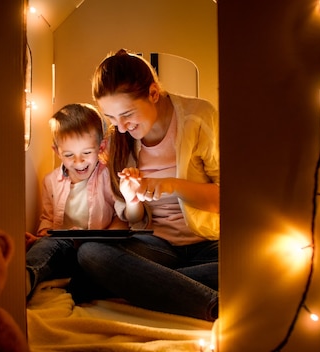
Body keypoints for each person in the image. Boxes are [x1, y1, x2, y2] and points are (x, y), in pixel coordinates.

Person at [76, 49, 219, 321]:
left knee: (254, 263)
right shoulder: (120, 138)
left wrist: (171, 185)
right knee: (91, 253)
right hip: (156, 245)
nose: (120, 127)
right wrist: (132, 200)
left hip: (208, 243)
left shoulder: (198, 116)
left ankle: (146, 284)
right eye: (111, 118)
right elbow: (134, 219)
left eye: (127, 114)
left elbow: (227, 198)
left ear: (153, 93)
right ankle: (210, 302)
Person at [25, 103, 127, 297]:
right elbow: (47, 219)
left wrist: (100, 238)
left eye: (86, 153)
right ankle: (25, 279)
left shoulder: (108, 177)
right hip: (62, 249)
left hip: (95, 250)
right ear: (57, 152)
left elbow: (121, 218)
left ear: (100, 147)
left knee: (97, 260)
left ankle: (84, 286)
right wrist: (40, 239)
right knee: (49, 246)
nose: (78, 162)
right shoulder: (50, 181)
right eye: (69, 155)